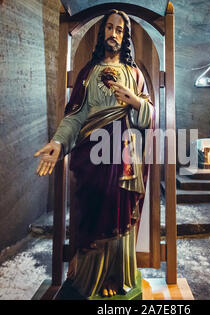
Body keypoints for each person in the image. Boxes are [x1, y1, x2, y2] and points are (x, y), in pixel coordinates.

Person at [34, 9, 154, 299]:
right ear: (102, 34)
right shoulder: (88, 74)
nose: (114, 34)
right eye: (109, 28)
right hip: (92, 155)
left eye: (119, 30)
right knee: (92, 209)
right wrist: (58, 142)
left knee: (119, 208)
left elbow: (149, 117)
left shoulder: (134, 73)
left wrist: (135, 101)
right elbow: (74, 117)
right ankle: (89, 279)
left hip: (123, 155)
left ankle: (117, 276)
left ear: (125, 37)